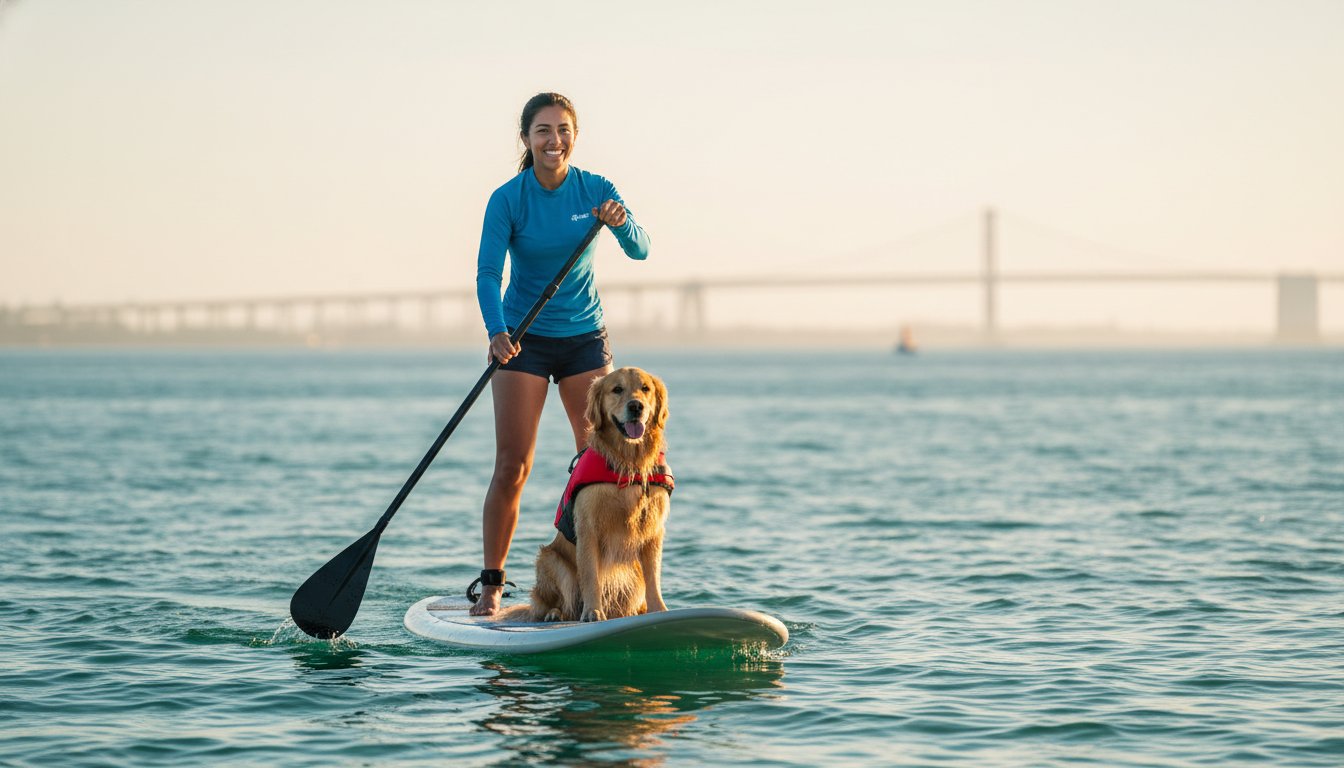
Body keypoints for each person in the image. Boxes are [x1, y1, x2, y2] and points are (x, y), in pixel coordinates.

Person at [470, 92, 651, 616]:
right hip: (522, 338)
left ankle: (614, 585)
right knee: (513, 465)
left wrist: (620, 221)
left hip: (584, 339)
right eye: (543, 130)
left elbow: (640, 248)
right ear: (526, 139)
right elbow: (487, 273)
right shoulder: (509, 199)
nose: (555, 140)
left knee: (603, 462)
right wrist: (497, 331)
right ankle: (492, 586)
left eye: (563, 129)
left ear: (575, 135)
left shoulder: (596, 189)